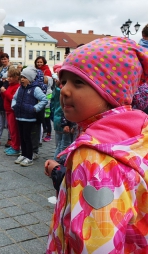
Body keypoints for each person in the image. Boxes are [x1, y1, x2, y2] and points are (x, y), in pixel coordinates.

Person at [45, 37, 148, 253]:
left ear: (110, 91)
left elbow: (96, 244)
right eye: (63, 82)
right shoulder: (138, 132)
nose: (64, 90)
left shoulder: (94, 157)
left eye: (78, 82)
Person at [11, 67, 48, 166]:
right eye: (21, 77)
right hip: (19, 116)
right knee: (22, 137)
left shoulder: (35, 89)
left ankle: (29, 157)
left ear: (30, 79)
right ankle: (23, 154)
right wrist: (14, 105)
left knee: (28, 137)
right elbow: (14, 98)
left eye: (24, 77)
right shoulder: (20, 88)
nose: (22, 79)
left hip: (29, 118)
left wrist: (35, 108)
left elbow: (44, 100)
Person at [0, 68, 21, 155]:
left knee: (14, 130)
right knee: (11, 130)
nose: (9, 78)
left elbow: (12, 98)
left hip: (12, 111)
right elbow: (5, 98)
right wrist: (2, 92)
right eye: (9, 76)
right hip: (8, 111)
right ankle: (13, 145)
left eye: (11, 77)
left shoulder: (17, 87)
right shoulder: (10, 85)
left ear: (16, 77)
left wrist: (4, 92)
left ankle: (16, 147)